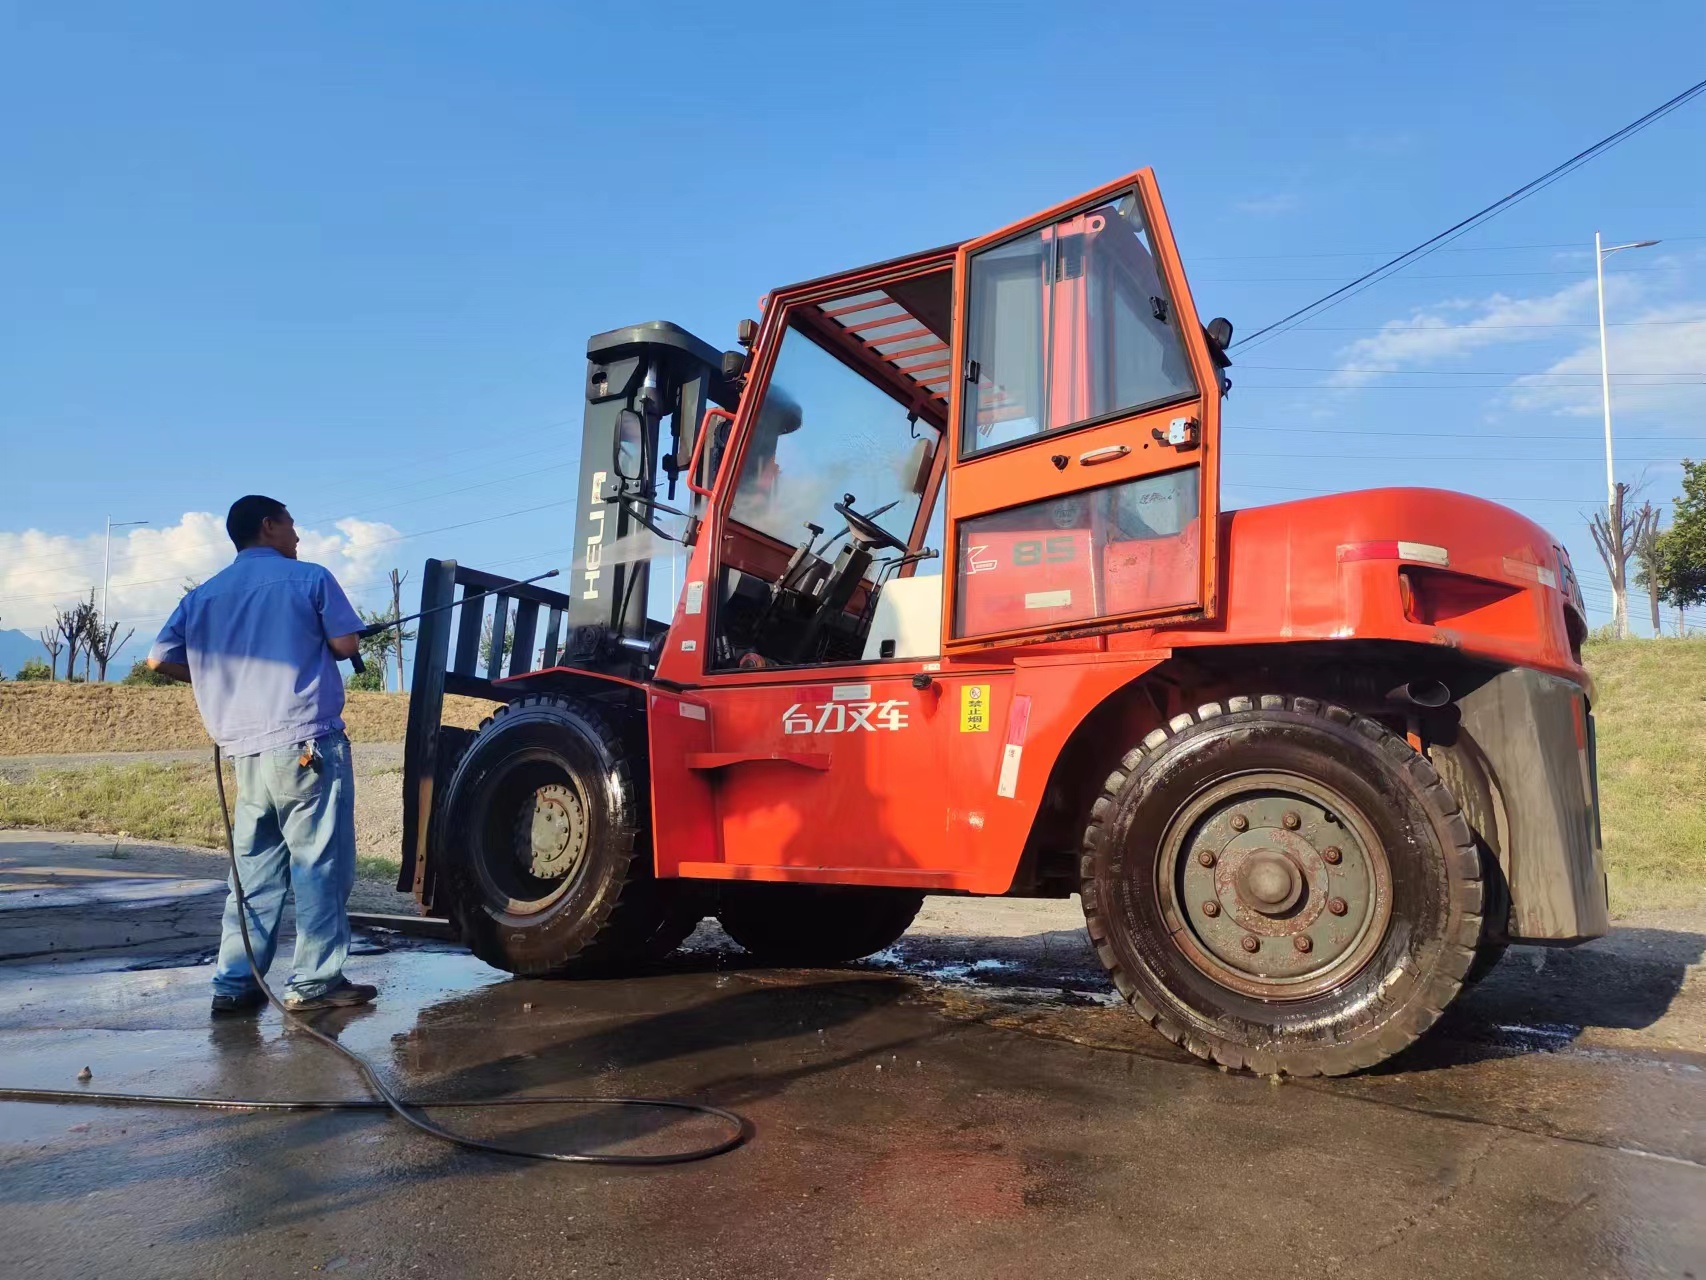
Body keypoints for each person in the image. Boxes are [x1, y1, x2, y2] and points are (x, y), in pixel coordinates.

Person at [147, 495, 376, 1016]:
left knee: (252, 873)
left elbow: (158, 658)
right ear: (268, 526)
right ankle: (315, 983)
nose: (298, 536)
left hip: (244, 753)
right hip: (306, 745)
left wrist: (208, 676)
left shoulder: (202, 596)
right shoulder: (311, 578)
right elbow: (345, 645)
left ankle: (234, 983)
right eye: (292, 525)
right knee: (319, 863)